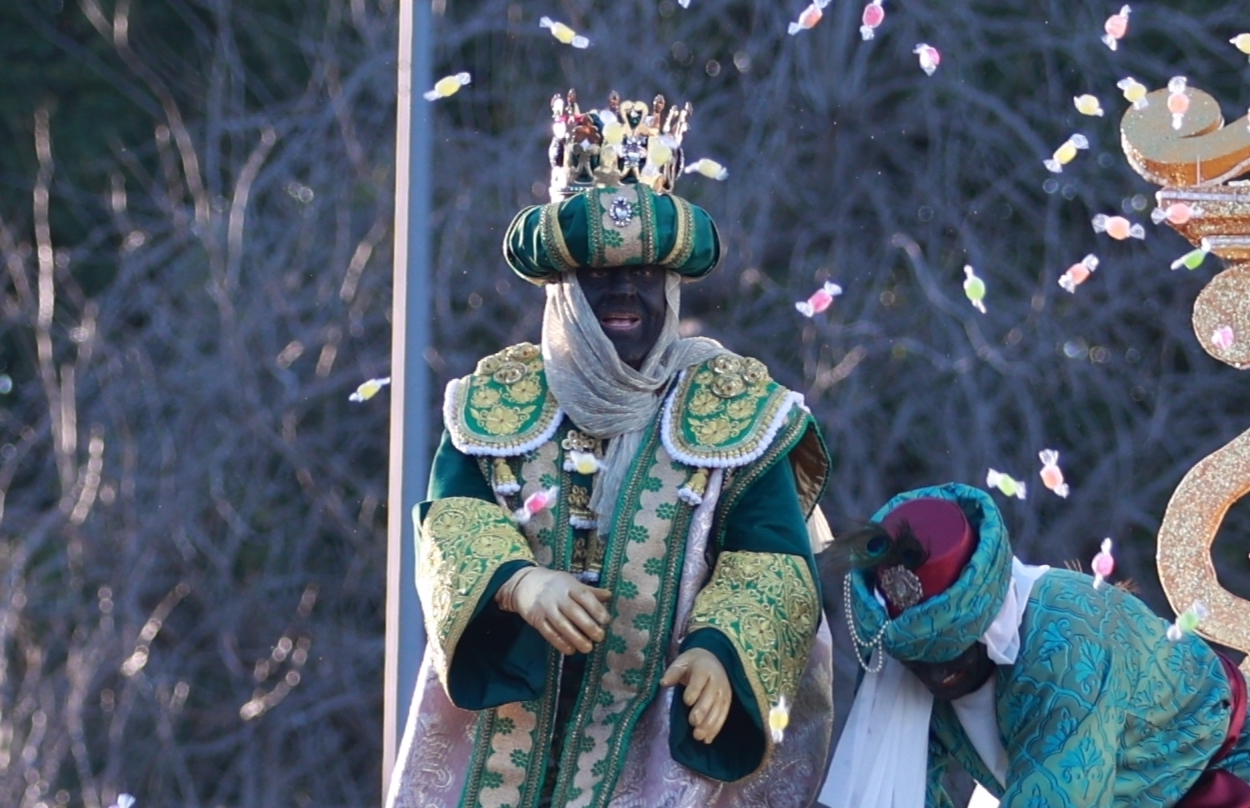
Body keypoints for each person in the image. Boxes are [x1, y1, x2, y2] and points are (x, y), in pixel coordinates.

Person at [386, 89, 835, 808]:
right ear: (563, 288)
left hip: (656, 753)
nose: (626, 291)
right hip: (501, 752)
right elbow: (451, 523)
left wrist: (723, 651)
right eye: (599, 274)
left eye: (647, 273)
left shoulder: (735, 410)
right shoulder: (494, 402)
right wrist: (517, 582)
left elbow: (775, 562)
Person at [819, 482, 1250, 808]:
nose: (935, 674)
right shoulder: (901, 653)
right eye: (918, 660)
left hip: (1216, 781)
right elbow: (899, 786)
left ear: (986, 619)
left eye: (949, 650)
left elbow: (1057, 794)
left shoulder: (1066, 645)